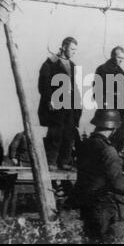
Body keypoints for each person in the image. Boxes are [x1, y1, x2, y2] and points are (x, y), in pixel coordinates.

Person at [76, 109, 124, 243]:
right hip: (107, 209)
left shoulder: (85, 145)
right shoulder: (108, 150)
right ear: (114, 129)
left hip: (89, 206)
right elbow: (118, 184)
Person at [38, 37, 82, 171]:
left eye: (76, 49)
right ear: (63, 47)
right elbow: (43, 84)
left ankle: (64, 161)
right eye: (72, 49)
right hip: (56, 103)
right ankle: (51, 161)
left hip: (70, 104)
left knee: (69, 133)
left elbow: (75, 86)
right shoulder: (50, 63)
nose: (74, 52)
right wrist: (50, 98)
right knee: (55, 133)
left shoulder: (73, 65)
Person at [94, 46, 124, 153]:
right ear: (112, 56)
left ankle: (115, 160)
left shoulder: (121, 72)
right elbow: (97, 88)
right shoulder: (102, 69)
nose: (121, 60)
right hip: (108, 108)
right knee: (104, 135)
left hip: (121, 108)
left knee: (120, 135)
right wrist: (103, 102)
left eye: (122, 59)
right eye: (119, 57)